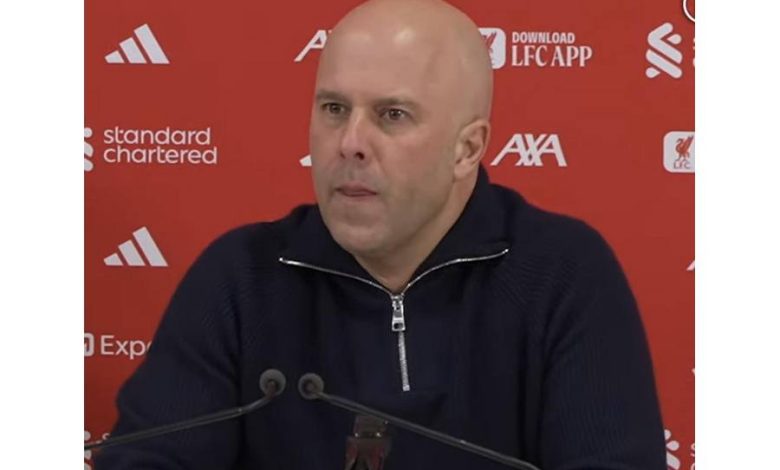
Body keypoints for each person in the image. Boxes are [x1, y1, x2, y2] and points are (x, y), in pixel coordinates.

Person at [94, 0, 666, 468]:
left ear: (467, 149)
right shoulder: (240, 279)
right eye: (334, 109)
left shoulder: (561, 274)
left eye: (392, 115)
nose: (350, 143)